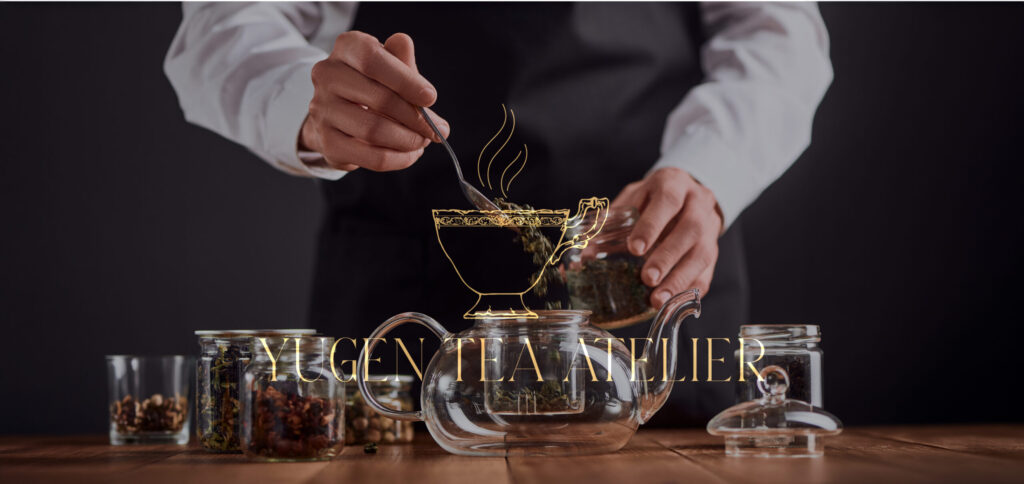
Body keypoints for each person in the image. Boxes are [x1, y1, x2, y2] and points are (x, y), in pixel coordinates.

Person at [165, 2, 832, 425]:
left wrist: (707, 171)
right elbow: (224, 26)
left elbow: (779, 32)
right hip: (413, 285)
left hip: (646, 276)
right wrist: (302, 102)